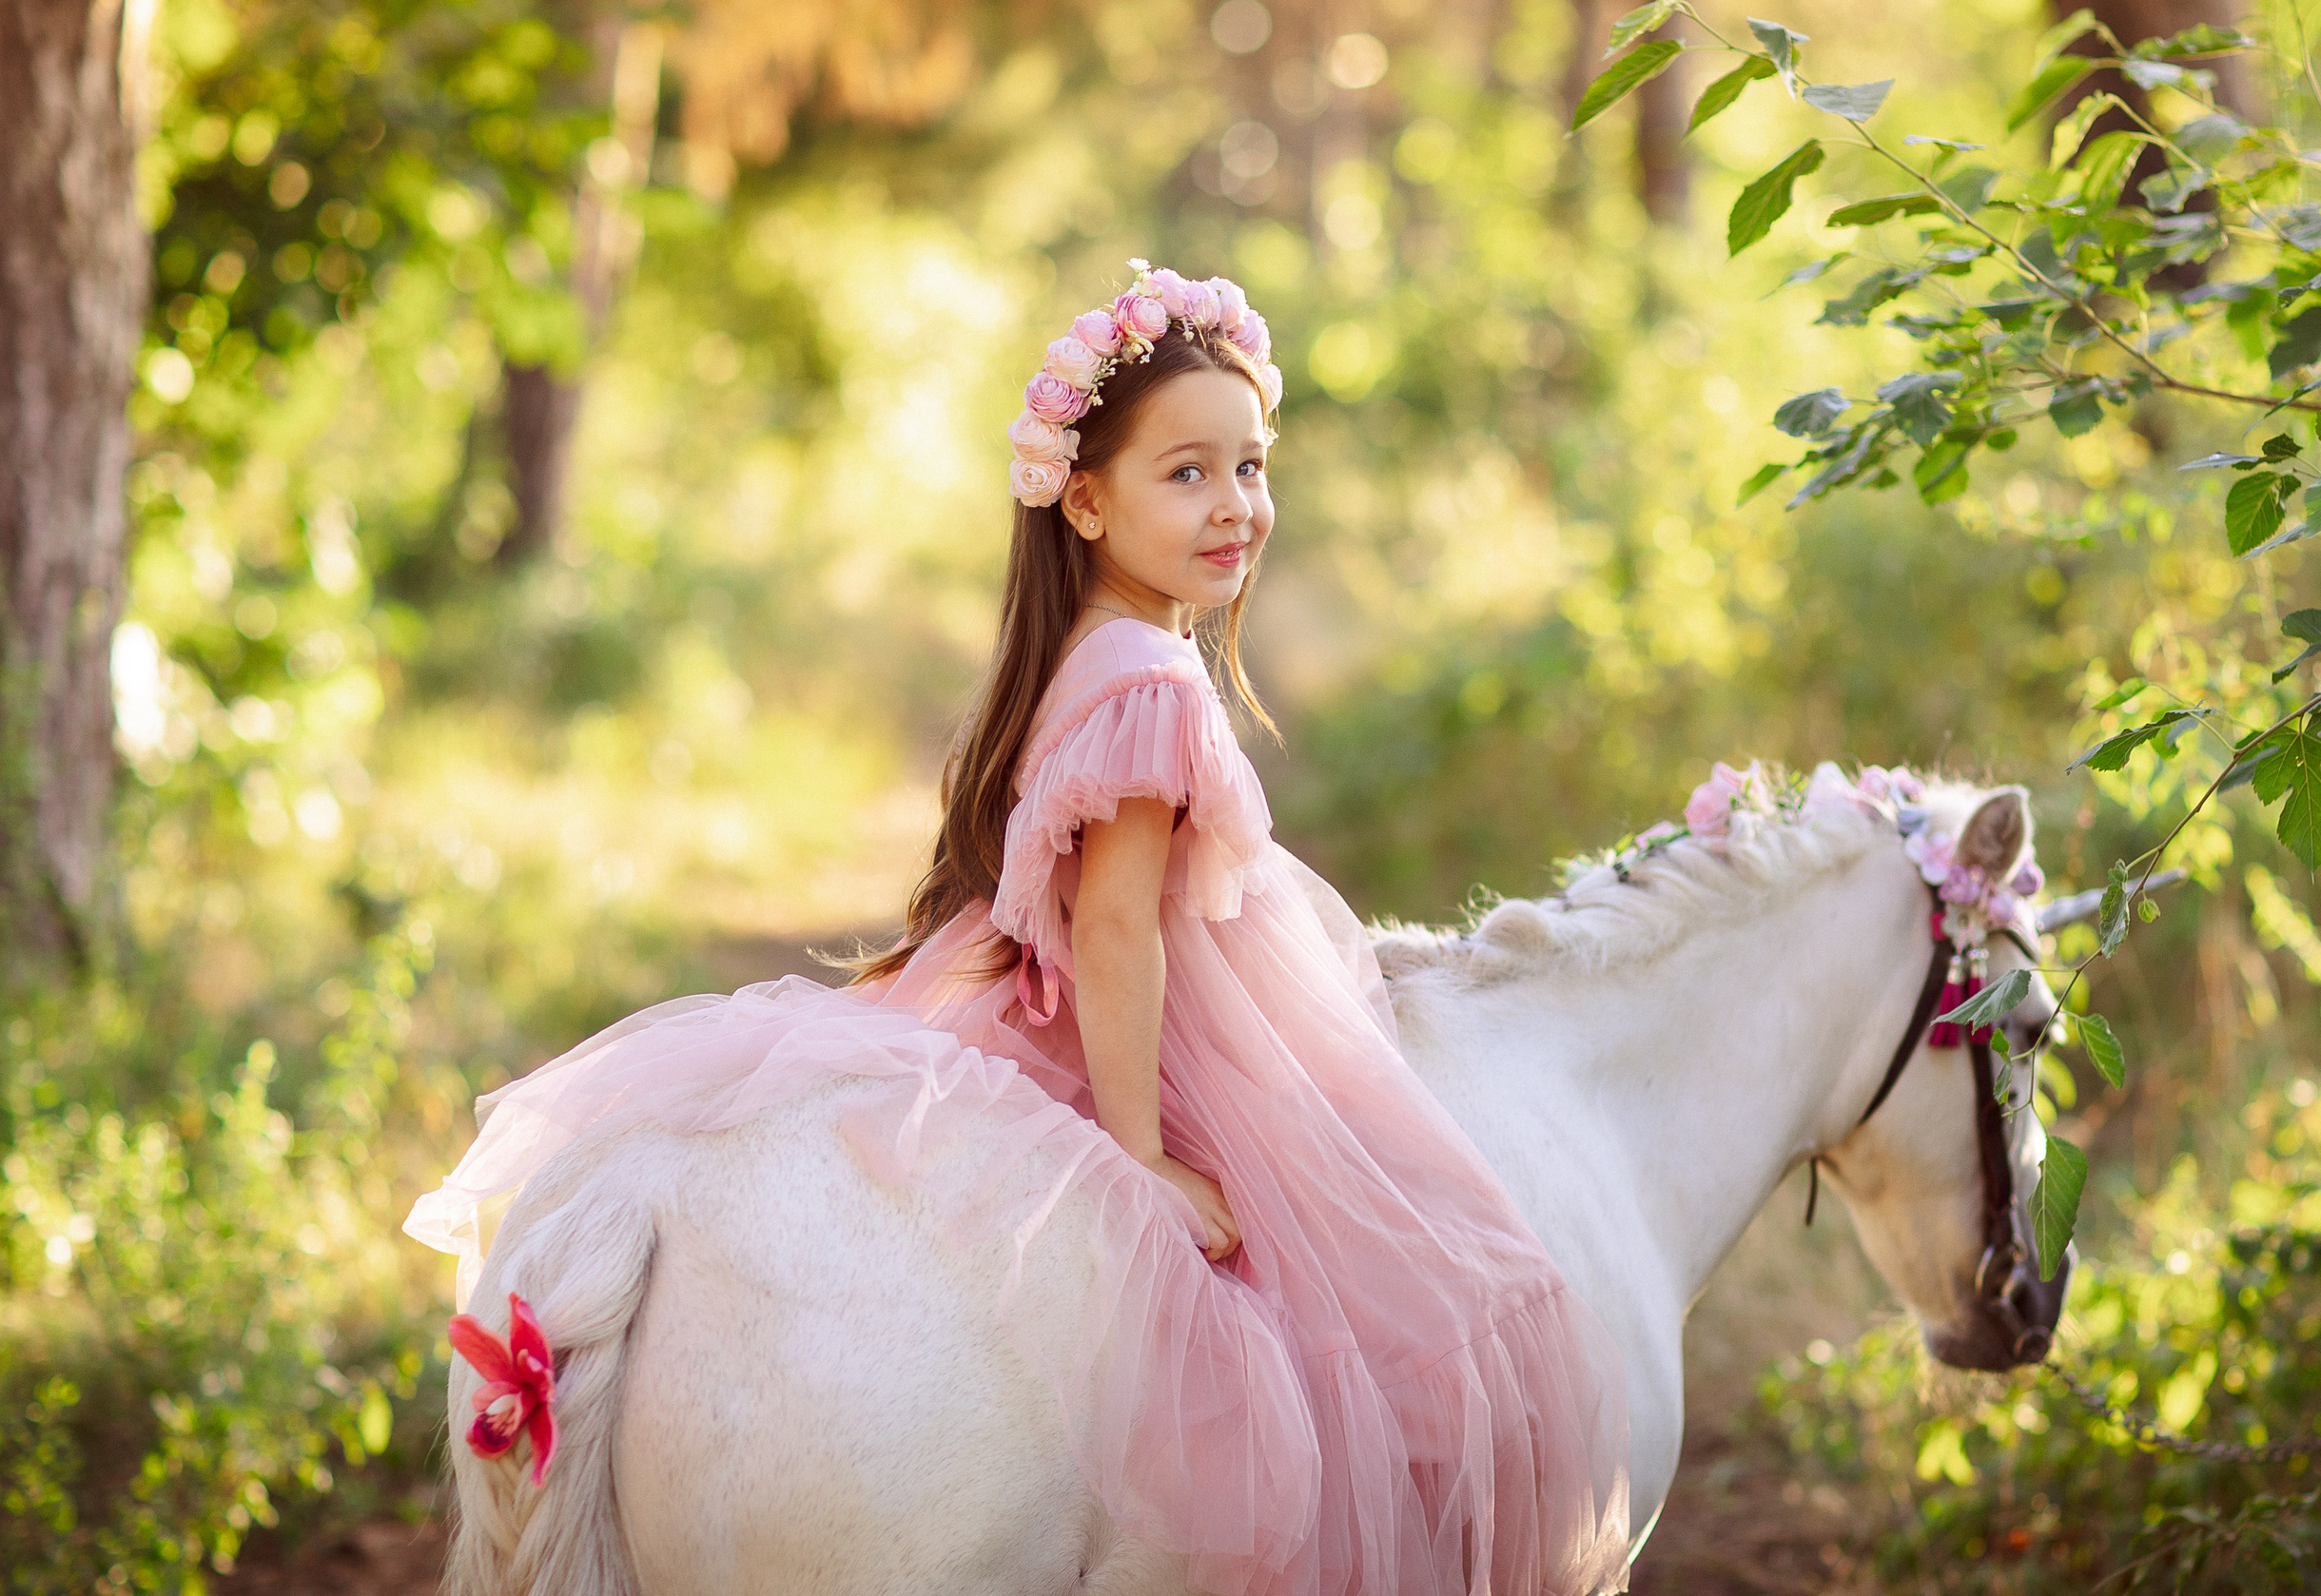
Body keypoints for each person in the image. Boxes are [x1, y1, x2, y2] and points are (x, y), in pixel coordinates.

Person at [407, 260, 1632, 1595]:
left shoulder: (1091, 654)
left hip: (1103, 1027)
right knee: (1441, 1307)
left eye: (1252, 466)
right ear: (1087, 497)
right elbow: (1116, 933)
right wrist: (1141, 1156)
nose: (1236, 506)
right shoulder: (1153, 682)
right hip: (1150, 1063)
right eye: (1188, 474)